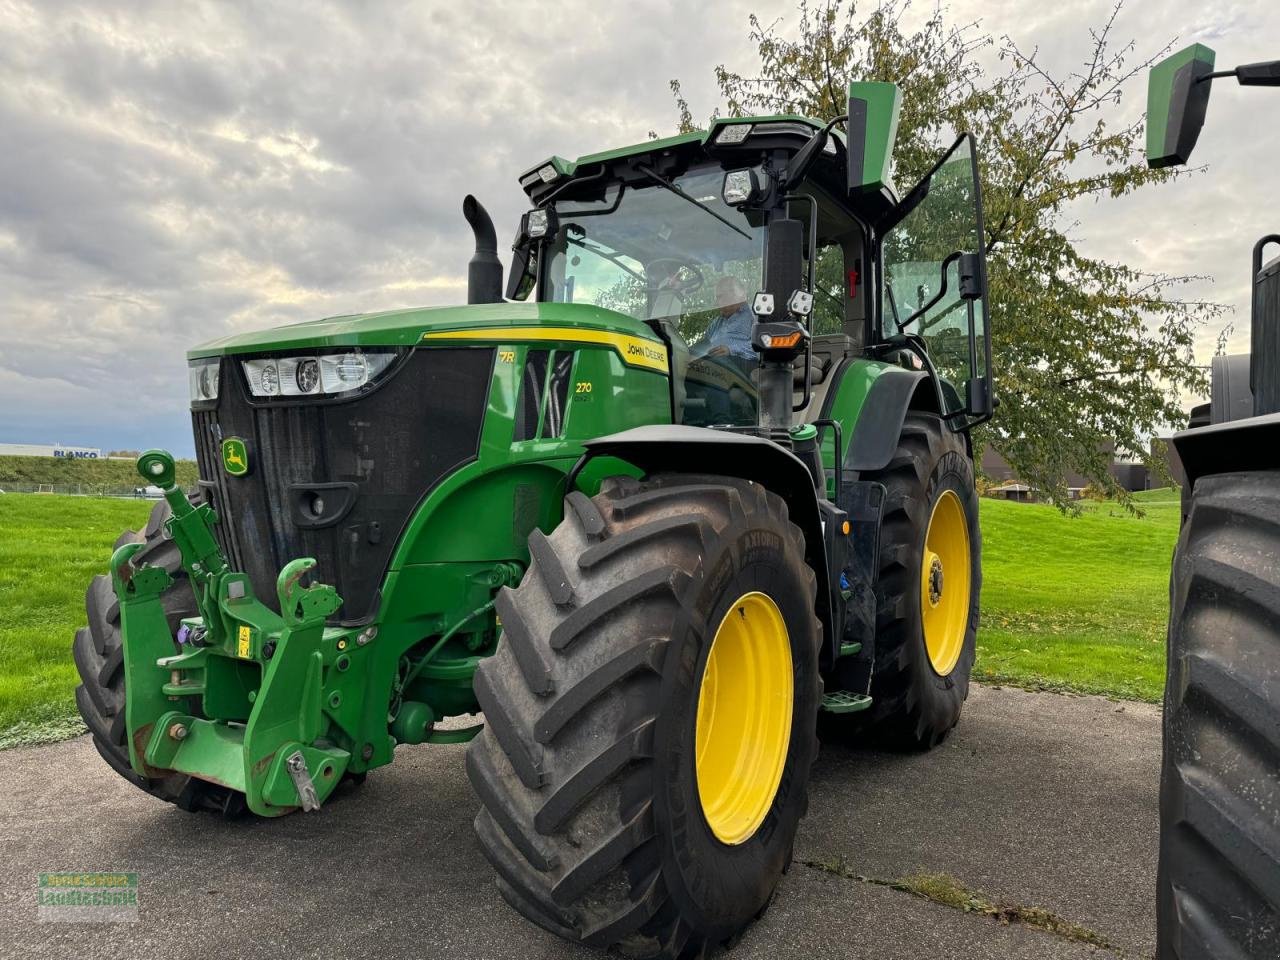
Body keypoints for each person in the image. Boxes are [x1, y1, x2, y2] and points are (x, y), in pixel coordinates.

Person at [696, 277, 756, 360]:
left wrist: (731, 350)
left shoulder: (753, 314)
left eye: (720, 297)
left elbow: (764, 345)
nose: (716, 303)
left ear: (736, 294)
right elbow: (702, 346)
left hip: (739, 370)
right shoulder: (716, 323)